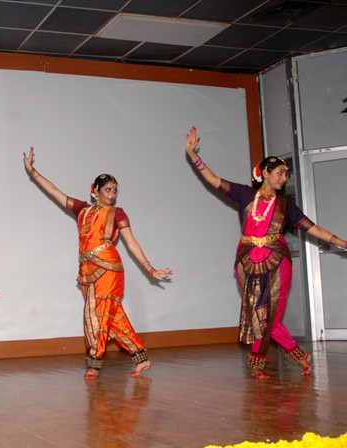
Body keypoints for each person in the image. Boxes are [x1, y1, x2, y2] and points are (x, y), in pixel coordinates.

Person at [185, 126, 347, 379]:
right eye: (280, 173)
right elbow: (213, 180)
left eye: (285, 174)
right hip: (247, 260)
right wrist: (193, 155)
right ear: (265, 174)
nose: (283, 178)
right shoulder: (245, 194)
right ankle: (289, 356)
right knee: (256, 312)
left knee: (271, 314)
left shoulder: (286, 205)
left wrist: (341, 242)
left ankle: (264, 361)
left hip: (277, 260)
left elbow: (312, 228)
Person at [22, 147, 172, 380]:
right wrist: (32, 171)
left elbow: (132, 243)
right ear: (96, 191)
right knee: (112, 317)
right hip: (87, 270)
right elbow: (54, 191)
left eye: (114, 190)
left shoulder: (118, 213)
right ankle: (141, 357)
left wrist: (149, 269)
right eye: (108, 190)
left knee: (95, 314)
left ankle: (94, 363)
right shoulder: (82, 210)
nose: (112, 194)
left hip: (109, 269)